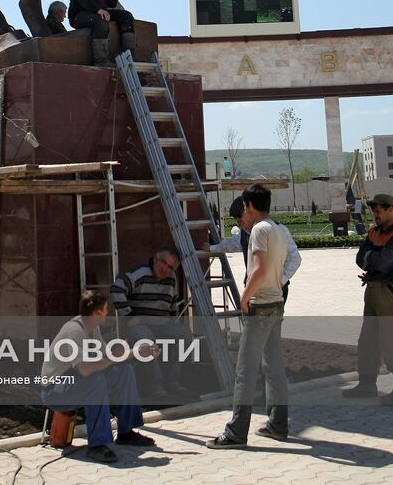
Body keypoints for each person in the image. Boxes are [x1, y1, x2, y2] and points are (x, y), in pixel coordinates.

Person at [207, 184, 289, 448]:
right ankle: (278, 424)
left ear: (251, 206)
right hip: (276, 303)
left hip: (261, 306)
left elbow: (259, 269)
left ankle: (236, 432)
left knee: (245, 372)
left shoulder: (258, 230)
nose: (243, 212)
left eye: (244, 207)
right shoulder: (277, 229)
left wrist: (244, 297)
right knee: (273, 368)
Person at [41, 289, 156, 463]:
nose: (108, 311)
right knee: (95, 380)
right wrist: (114, 357)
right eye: (105, 308)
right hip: (54, 391)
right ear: (97, 312)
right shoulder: (74, 331)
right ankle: (97, 445)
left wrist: (136, 352)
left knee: (124, 372)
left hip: (76, 383)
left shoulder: (92, 329)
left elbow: (107, 358)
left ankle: (126, 433)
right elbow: (85, 369)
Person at [341, 193, 393, 405]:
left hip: (390, 292)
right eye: (374, 211)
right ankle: (367, 384)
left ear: (391, 210)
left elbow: (381, 263)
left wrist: (369, 256)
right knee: (368, 341)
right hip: (373, 291)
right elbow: (359, 258)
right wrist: (372, 257)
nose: (376, 215)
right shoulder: (375, 233)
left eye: (379, 211)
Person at [109, 247, 189, 401]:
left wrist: (172, 322)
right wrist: (130, 316)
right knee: (145, 337)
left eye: (171, 267)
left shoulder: (172, 279)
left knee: (184, 334)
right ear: (155, 259)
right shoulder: (139, 274)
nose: (165, 269)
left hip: (163, 325)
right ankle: (155, 387)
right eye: (163, 263)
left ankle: (172, 381)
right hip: (140, 325)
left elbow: (172, 305)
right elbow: (116, 289)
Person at [209, 196, 301, 302]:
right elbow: (230, 244)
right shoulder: (244, 233)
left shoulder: (278, 230)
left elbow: (295, 258)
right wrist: (211, 248)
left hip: (274, 291)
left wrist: (280, 281)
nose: (240, 225)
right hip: (253, 289)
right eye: (238, 222)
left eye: (241, 220)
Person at [69, 0, 136, 67]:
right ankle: (100, 61)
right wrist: (98, 10)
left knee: (126, 16)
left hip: (99, 13)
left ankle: (129, 55)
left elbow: (112, 3)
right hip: (79, 16)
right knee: (102, 19)